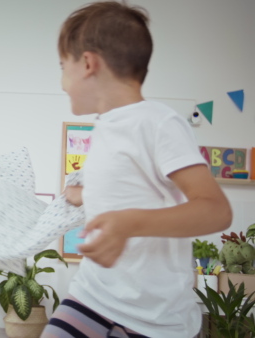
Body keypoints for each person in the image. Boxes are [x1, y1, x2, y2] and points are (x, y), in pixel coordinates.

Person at [41, 2, 232, 338]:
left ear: (87, 63)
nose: (61, 82)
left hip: (155, 319)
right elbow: (127, 191)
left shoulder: (158, 122)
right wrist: (81, 195)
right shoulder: (104, 129)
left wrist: (128, 224)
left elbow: (216, 211)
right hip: (92, 295)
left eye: (62, 66)